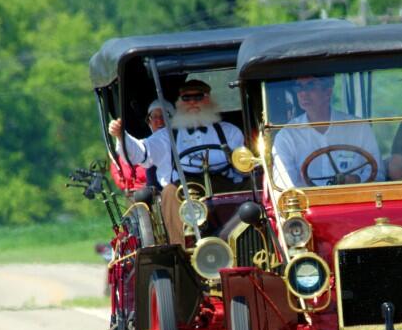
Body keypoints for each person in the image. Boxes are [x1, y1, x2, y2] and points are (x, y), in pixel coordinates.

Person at [108, 80, 245, 243]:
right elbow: (142, 152)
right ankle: (183, 250)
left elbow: (242, 164)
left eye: (198, 96)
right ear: (180, 103)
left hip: (225, 185)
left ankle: (247, 240)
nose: (192, 102)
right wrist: (121, 136)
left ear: (208, 100)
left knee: (253, 188)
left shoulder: (230, 132)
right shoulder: (167, 135)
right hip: (185, 189)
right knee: (169, 192)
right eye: (187, 98)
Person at [272, 75, 383, 188]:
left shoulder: (359, 128)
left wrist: (357, 180)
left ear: (328, 92)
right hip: (307, 204)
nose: (303, 93)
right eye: (299, 87)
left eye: (311, 86)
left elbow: (378, 174)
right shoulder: (287, 136)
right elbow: (284, 185)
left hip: (355, 200)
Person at [109, 98, 173, 190]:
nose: (159, 120)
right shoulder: (153, 143)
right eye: (154, 116)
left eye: (165, 115)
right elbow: (140, 151)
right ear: (149, 122)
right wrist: (120, 135)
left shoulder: (181, 135)